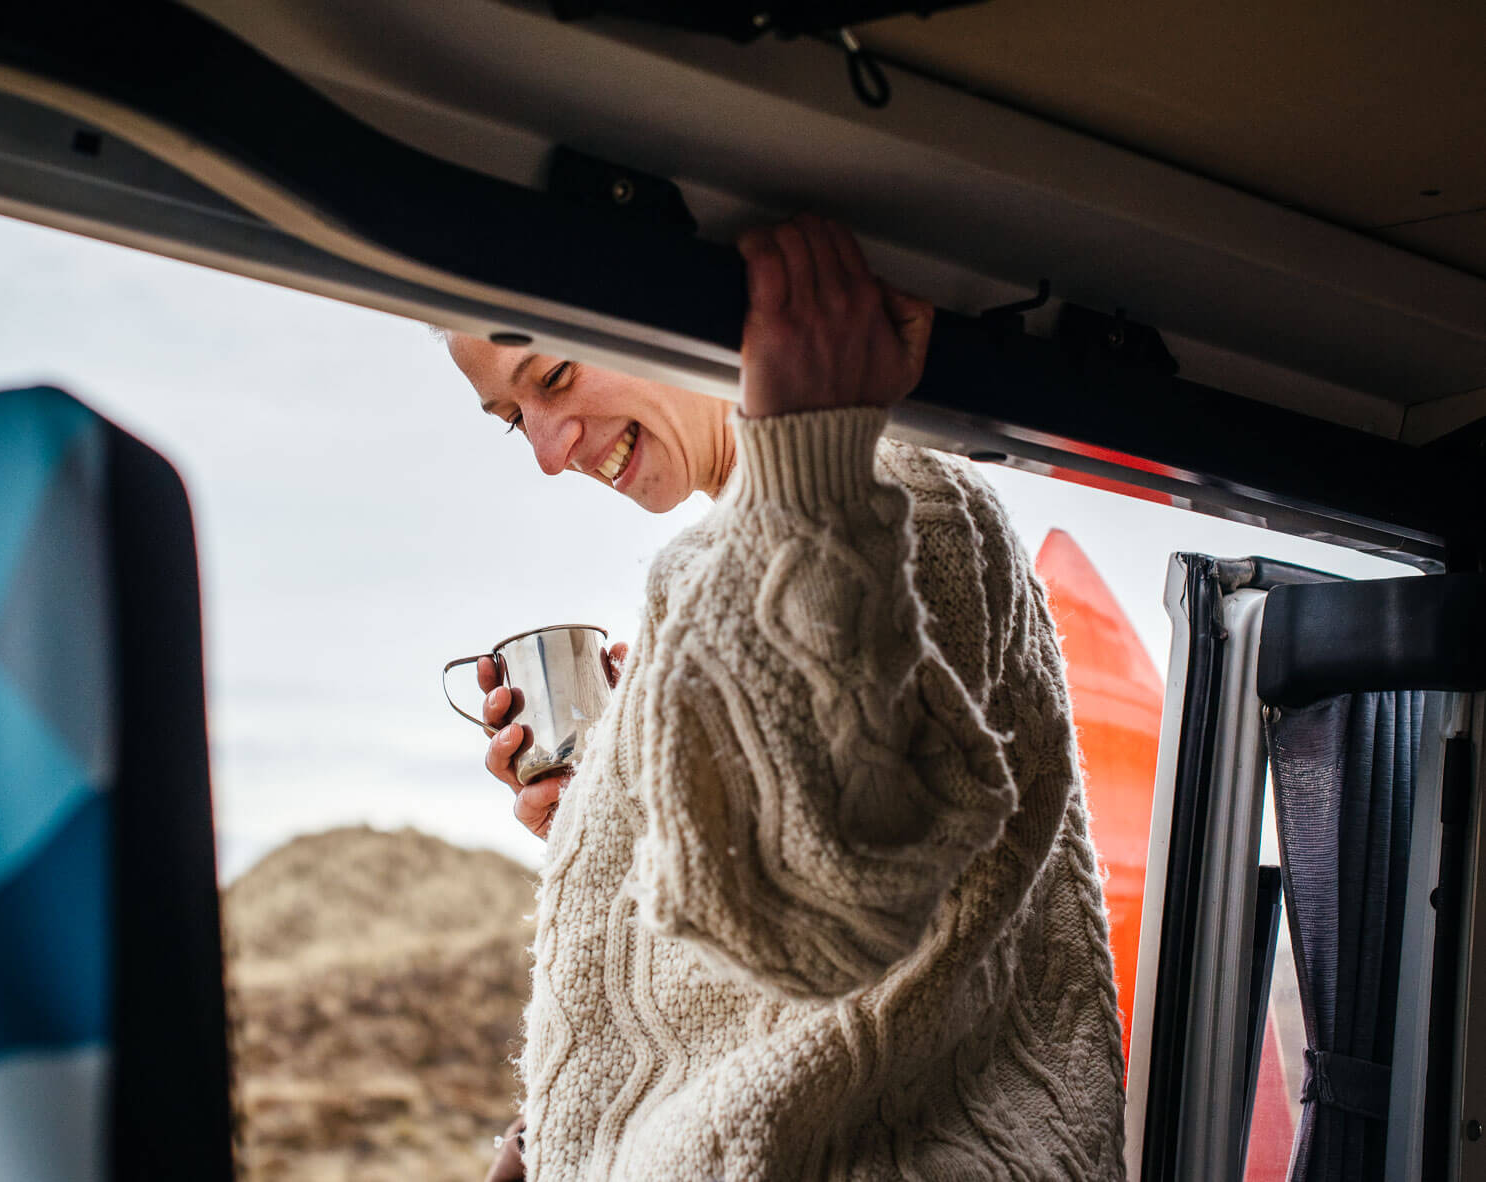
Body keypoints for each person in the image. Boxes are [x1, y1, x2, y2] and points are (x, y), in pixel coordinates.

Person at [455, 216, 1125, 1180]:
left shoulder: (898, 504)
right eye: (513, 417)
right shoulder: (771, 559)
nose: (549, 452)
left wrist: (809, 454)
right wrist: (612, 814)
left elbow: (822, 916)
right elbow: (732, 990)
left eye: (554, 377)